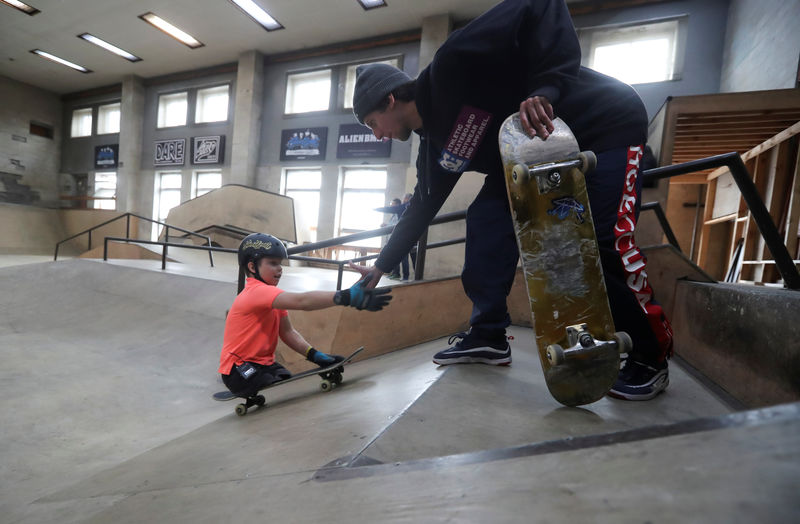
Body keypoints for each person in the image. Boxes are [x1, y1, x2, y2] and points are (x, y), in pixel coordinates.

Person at [350, 0, 673, 401]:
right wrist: (381, 265)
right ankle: (488, 334)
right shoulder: (436, 149)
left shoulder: (454, 64)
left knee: (606, 240)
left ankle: (650, 357)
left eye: (371, 124)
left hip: (605, 127)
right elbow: (421, 207)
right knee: (485, 219)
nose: (377, 135)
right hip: (533, 157)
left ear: (390, 100)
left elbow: (539, 5)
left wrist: (545, 89)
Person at [219, 233, 392, 398]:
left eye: (280, 263)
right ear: (251, 266)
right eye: (272, 263)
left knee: (283, 377)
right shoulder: (255, 292)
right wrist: (345, 297)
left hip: (264, 365)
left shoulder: (272, 298)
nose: (279, 269)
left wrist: (316, 356)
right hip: (238, 369)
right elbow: (303, 301)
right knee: (266, 382)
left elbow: (288, 333)